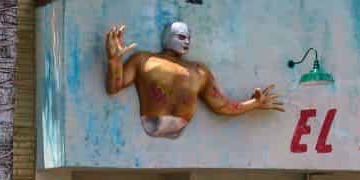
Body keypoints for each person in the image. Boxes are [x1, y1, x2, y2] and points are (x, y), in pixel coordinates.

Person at [104, 21, 284, 139]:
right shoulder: (143, 60)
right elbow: (114, 87)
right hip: (150, 126)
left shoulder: (199, 71)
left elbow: (221, 105)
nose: (187, 42)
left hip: (176, 131)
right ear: (167, 37)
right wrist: (114, 60)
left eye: (189, 38)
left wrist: (254, 103)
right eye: (181, 37)